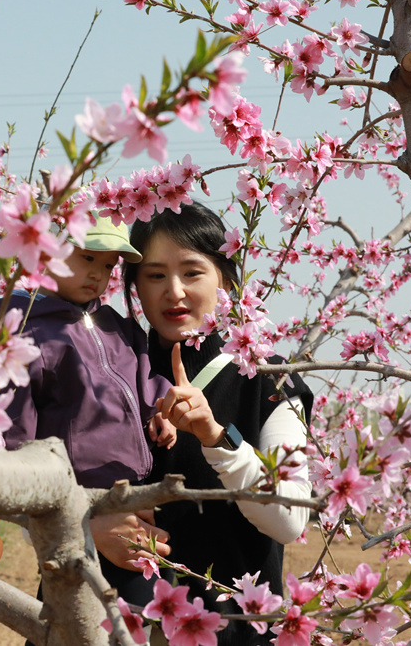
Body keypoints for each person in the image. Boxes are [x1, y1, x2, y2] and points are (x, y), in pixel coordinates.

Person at [124, 202, 314, 646]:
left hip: (230, 632)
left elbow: (290, 520)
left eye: (192, 272)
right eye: (154, 275)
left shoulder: (269, 380)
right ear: (134, 287)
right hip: (115, 622)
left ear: (225, 280)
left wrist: (217, 437)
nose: (174, 292)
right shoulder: (107, 372)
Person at [1, 213, 176, 608]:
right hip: (79, 497)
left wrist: (158, 407)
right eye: (87, 258)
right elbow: (17, 432)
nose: (99, 274)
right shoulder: (29, 332)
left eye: (109, 265)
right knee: (81, 606)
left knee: (131, 611)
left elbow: (140, 371)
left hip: (132, 492)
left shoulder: (114, 323)